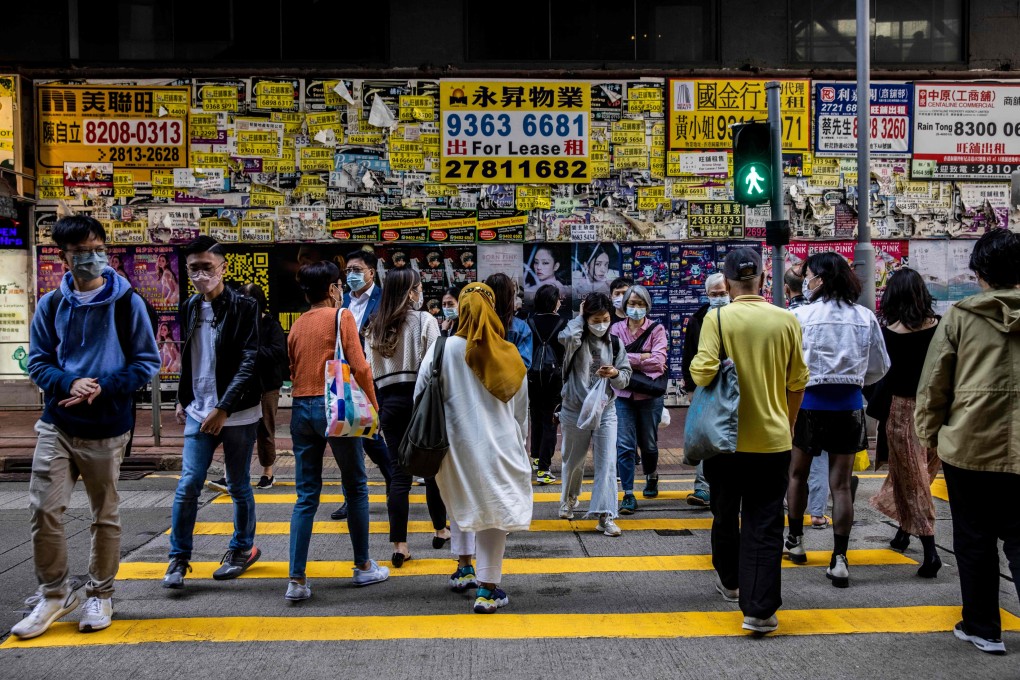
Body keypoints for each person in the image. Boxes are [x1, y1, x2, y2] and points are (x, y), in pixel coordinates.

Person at [15, 216, 160, 640]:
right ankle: (55, 593)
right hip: (58, 421)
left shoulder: (127, 302)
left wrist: (103, 387)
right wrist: (67, 381)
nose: (91, 258)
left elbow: (147, 363)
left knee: (105, 514)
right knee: (44, 508)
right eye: (81, 252)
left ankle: (100, 591)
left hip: (108, 425)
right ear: (64, 256)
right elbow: (38, 361)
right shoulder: (51, 305)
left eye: (97, 248)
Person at [689, 247, 809, 635]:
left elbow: (702, 373)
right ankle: (759, 610)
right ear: (762, 278)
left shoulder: (717, 318)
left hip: (724, 442)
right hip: (773, 442)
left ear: (726, 283)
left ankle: (729, 581)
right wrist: (787, 425)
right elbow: (797, 383)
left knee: (725, 513)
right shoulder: (785, 320)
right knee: (766, 523)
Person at [915, 229, 1020, 655]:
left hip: (969, 449)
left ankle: (983, 628)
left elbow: (935, 384)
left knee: (974, 539)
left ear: (979, 273)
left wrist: (928, 436)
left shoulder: (960, 317)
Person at [421, 283, 533, 613]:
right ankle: (487, 588)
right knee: (494, 514)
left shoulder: (442, 348)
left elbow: (421, 395)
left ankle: (463, 565)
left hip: (454, 448)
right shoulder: (507, 352)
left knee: (462, 502)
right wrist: (521, 442)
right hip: (499, 447)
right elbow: (520, 409)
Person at [284, 262, 389, 602]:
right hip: (335, 406)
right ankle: (362, 565)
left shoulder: (297, 325)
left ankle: (296, 580)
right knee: (355, 485)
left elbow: (293, 368)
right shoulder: (341, 316)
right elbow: (359, 367)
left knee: (306, 496)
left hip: (301, 409)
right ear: (332, 290)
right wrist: (374, 410)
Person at [785, 252, 890, 589]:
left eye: (810, 274)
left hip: (808, 405)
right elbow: (879, 366)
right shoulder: (864, 316)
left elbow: (791, 363)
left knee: (798, 474)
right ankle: (840, 559)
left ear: (822, 279)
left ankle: (796, 540)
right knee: (841, 485)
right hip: (848, 406)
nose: (807, 279)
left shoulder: (801, 316)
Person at [164, 236, 264, 589]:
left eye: (208, 267)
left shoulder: (244, 306)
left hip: (236, 413)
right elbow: (190, 356)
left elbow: (249, 360)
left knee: (238, 484)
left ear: (223, 267)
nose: (201, 274)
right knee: (188, 484)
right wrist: (183, 396)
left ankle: (242, 549)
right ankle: (178, 558)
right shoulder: (190, 306)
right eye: (194, 268)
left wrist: (223, 408)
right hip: (198, 409)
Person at [365, 268, 449, 564]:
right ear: (410, 292)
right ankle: (440, 529)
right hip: (421, 402)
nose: (421, 291)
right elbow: (435, 366)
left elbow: (368, 371)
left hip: (388, 404)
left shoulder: (374, 326)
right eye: (418, 287)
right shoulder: (426, 321)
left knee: (400, 476)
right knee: (432, 466)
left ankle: (400, 545)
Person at [868, 268, 942, 577]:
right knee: (919, 472)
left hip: (902, 410)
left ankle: (930, 549)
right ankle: (903, 531)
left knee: (913, 477)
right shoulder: (939, 327)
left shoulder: (889, 334)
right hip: (937, 408)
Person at [558, 292, 631, 536]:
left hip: (605, 410)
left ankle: (605, 515)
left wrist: (615, 375)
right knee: (573, 459)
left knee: (607, 463)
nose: (602, 324)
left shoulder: (616, 343)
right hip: (573, 409)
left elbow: (624, 379)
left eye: (606, 318)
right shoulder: (575, 339)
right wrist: (580, 317)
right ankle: (569, 499)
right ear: (586, 317)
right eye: (595, 319)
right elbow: (566, 336)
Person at [329, 248, 391, 522]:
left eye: (357, 270)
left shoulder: (383, 300)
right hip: (342, 376)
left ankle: (392, 478)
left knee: (371, 435)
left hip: (371, 374)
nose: (351, 275)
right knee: (346, 435)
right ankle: (350, 496)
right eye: (349, 271)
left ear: (371, 273)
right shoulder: (339, 301)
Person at [611, 284, 667, 514]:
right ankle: (628, 493)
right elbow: (613, 358)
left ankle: (651, 475)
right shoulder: (615, 329)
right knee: (624, 445)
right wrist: (642, 356)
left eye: (640, 304)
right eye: (632, 304)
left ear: (647, 306)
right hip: (622, 393)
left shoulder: (657, 329)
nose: (635, 308)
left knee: (649, 444)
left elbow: (659, 361)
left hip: (649, 395)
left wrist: (628, 358)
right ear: (625, 306)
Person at [680, 272, 730, 508]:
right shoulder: (698, 319)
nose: (719, 298)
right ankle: (702, 487)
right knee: (705, 434)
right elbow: (689, 355)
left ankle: (728, 485)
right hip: (706, 386)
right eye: (714, 294)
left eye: (723, 294)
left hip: (733, 386)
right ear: (707, 295)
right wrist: (690, 387)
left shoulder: (737, 316)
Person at [785, 264, 829, 528]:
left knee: (794, 458)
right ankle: (817, 512)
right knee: (821, 458)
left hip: (793, 393)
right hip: (822, 393)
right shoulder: (823, 315)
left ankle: (793, 516)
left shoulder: (787, 317)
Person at [240, 283, 288, 489]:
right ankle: (231, 472)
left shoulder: (271, 325)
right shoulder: (237, 324)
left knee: (265, 429)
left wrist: (251, 353)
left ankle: (267, 472)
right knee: (237, 430)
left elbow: (279, 352)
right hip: (242, 385)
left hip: (267, 385)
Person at [526, 284, 566, 485]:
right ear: (553, 301)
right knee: (551, 420)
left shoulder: (529, 322)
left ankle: (535, 458)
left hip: (533, 376)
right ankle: (544, 468)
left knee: (536, 416)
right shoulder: (562, 323)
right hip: (554, 378)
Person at [486, 273, 533, 369]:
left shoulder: (476, 324)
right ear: (510, 296)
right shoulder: (521, 328)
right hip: (511, 382)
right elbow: (524, 364)